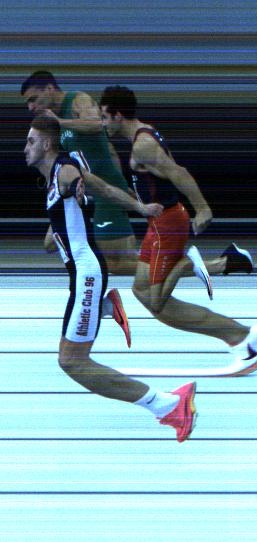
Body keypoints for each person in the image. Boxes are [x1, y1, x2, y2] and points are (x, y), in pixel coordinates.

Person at [25, 114, 196, 442]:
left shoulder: (64, 170)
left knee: (73, 362)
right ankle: (105, 305)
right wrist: (138, 208)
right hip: (83, 277)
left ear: (46, 144)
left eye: (31, 141)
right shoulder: (53, 181)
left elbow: (81, 181)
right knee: (70, 358)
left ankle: (170, 405)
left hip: (88, 276)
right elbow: (98, 192)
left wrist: (77, 187)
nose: (25, 148)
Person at [99, 86, 257, 374]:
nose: (102, 123)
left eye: (104, 117)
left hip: (169, 224)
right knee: (141, 291)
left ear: (118, 115)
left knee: (157, 302)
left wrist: (203, 208)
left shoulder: (142, 144)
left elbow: (178, 172)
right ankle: (237, 322)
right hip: (158, 224)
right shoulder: (143, 135)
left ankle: (191, 266)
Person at [21, 71, 138, 275]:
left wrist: (119, 184)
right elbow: (109, 150)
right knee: (51, 243)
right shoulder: (54, 123)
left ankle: (178, 266)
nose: (31, 107)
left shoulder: (77, 99)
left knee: (115, 263)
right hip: (83, 193)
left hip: (104, 193)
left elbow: (97, 124)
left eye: (33, 99)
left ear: (49, 89)